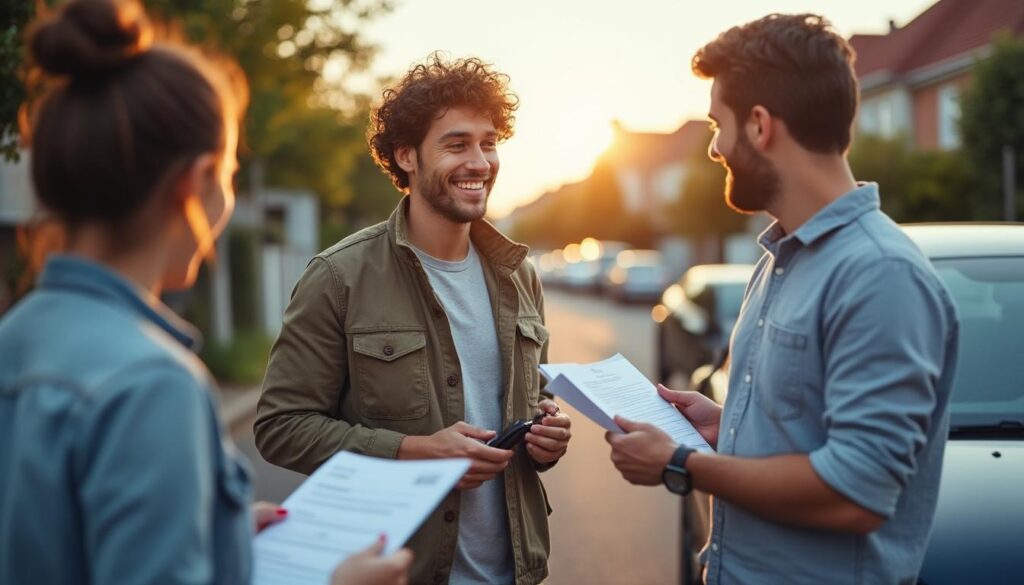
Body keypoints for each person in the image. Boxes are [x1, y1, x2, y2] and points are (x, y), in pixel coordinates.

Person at [0, 1, 410, 584]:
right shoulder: (151, 383)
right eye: (228, 175)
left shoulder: (14, 337)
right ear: (194, 184)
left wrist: (218, 537)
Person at [605, 13, 959, 585]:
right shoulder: (777, 259)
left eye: (719, 125)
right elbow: (809, 432)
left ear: (761, 125)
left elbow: (857, 493)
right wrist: (728, 427)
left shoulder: (880, 275)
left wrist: (681, 463)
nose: (716, 148)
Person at [254, 53, 571, 585]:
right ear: (406, 156)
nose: (480, 162)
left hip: (517, 572)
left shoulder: (521, 277)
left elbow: (531, 402)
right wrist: (415, 451)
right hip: (399, 570)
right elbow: (281, 427)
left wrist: (545, 438)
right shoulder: (339, 277)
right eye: (456, 144)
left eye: (488, 143)